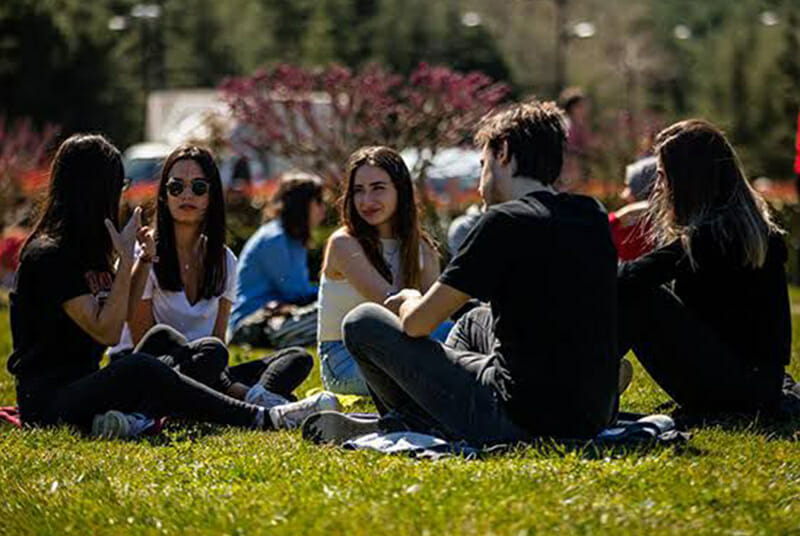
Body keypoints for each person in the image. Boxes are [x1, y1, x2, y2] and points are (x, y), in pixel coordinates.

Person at [304, 102, 622, 446]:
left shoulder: (502, 223)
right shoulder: (591, 213)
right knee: (475, 321)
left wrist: (410, 298)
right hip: (593, 413)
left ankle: (415, 420)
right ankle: (429, 411)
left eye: (483, 165)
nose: (481, 183)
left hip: (518, 417)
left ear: (503, 154)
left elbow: (417, 325)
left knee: (362, 321)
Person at [6, 134, 338, 439]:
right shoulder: (50, 255)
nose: (120, 194)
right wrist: (129, 258)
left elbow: (118, 312)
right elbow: (107, 333)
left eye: (199, 187)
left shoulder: (89, 253)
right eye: (117, 185)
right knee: (143, 366)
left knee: (184, 346)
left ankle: (145, 416)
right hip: (49, 403)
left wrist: (141, 263)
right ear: (93, 190)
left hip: (92, 386)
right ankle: (264, 417)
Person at [617, 119, 798, 414]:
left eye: (664, 177)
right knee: (639, 288)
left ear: (688, 179)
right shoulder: (743, 229)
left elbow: (628, 278)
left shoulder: (713, 238)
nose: (659, 189)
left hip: (740, 393)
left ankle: (583, 383)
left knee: (640, 296)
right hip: (760, 386)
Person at [111, 145, 313, 406]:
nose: (187, 195)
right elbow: (144, 342)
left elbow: (220, 343)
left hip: (205, 366)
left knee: (297, 358)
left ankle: (239, 397)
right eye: (176, 187)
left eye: (198, 187)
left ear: (211, 196)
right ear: (164, 195)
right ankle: (251, 400)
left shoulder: (225, 260)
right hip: (148, 367)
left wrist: (213, 372)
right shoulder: (145, 253)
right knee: (210, 355)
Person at [317, 146, 445, 396]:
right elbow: (390, 303)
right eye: (358, 191)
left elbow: (438, 315)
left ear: (401, 190)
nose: (366, 201)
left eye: (378, 188)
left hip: (402, 349)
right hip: (344, 360)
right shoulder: (344, 243)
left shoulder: (422, 247)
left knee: (456, 331)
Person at [228, 173, 325, 343]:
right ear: (303, 204)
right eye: (319, 202)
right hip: (252, 323)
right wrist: (331, 290)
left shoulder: (293, 239)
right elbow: (296, 292)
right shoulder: (275, 238)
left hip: (276, 318)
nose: (323, 209)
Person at [608, 156, 657, 261]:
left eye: (629, 186)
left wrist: (619, 217)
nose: (624, 195)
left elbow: (597, 231)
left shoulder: (628, 232)